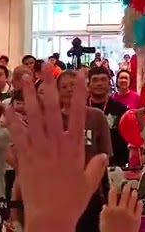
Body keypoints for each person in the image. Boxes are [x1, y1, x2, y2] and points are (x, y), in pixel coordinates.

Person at [54, 71, 112, 232]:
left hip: (91, 191)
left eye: (73, 85)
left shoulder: (96, 116)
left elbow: (104, 155)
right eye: (64, 87)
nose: (69, 90)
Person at [86, 66, 130, 168]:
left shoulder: (121, 110)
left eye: (103, 80)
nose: (99, 84)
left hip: (114, 166)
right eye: (95, 80)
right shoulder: (79, 109)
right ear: (88, 85)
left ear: (110, 84)